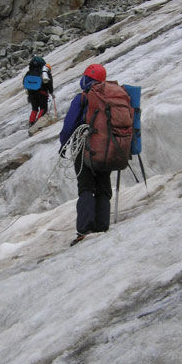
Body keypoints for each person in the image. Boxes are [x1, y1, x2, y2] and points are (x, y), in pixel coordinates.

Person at [59, 63, 112, 245]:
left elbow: (69, 127)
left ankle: (85, 229)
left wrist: (63, 145)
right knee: (103, 188)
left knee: (87, 187)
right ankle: (102, 226)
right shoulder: (110, 97)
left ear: (87, 79)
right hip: (108, 148)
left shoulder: (82, 98)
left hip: (85, 147)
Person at [24, 56, 53, 126]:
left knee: (34, 109)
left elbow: (25, 82)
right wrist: (51, 91)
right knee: (43, 108)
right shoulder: (44, 72)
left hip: (31, 93)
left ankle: (31, 122)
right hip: (42, 92)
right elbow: (49, 82)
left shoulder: (29, 72)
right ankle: (39, 122)